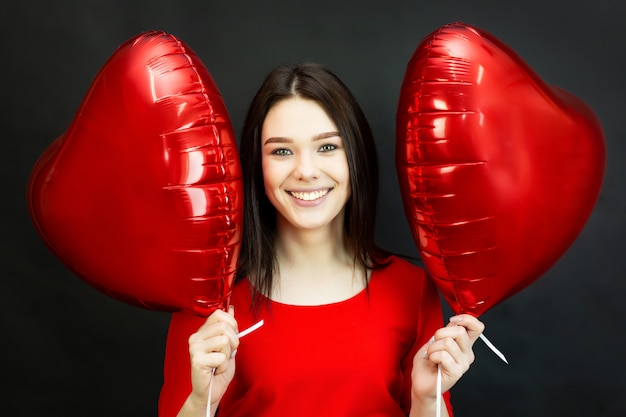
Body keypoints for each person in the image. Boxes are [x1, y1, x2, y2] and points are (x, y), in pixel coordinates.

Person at [158, 62, 484, 417]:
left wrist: (426, 400)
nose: (306, 170)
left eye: (327, 147)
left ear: (355, 157)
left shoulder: (412, 289)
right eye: (281, 151)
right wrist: (200, 401)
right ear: (257, 165)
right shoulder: (209, 303)